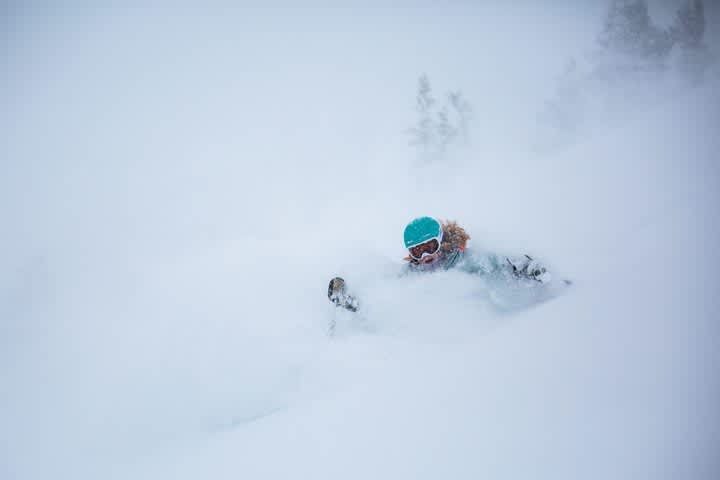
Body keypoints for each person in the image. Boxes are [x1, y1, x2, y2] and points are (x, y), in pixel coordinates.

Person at [328, 216, 554, 312]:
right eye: (417, 251)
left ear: (441, 241)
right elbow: (386, 301)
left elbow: (503, 264)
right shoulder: (410, 275)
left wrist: (527, 269)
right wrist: (350, 302)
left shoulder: (467, 261)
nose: (425, 256)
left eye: (430, 247)